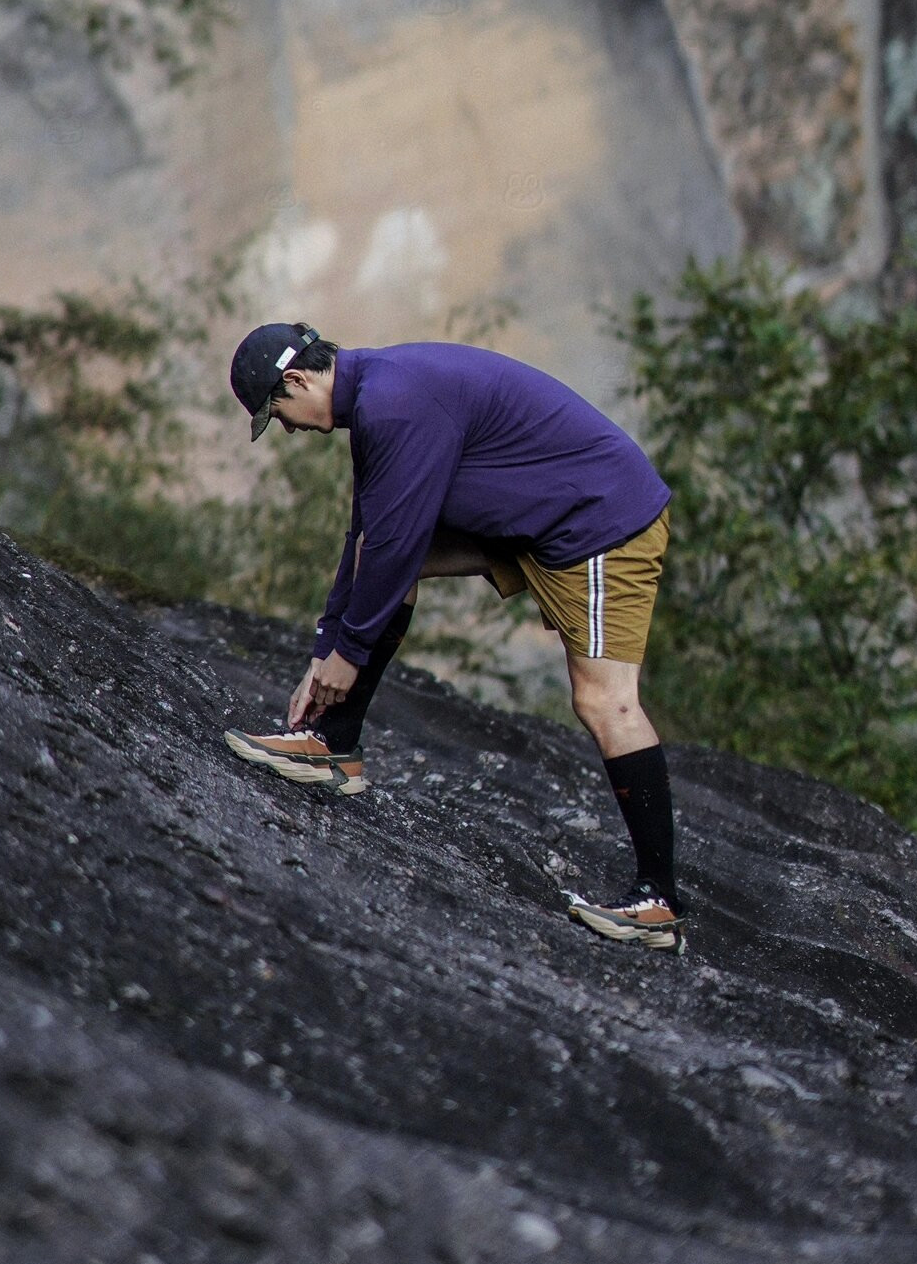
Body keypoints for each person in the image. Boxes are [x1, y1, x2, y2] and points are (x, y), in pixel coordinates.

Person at [223, 322, 686, 951]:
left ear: (298, 380)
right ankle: (332, 746)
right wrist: (325, 647)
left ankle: (658, 902)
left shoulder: (396, 403)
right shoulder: (377, 401)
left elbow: (392, 547)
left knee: (606, 702)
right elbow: (369, 544)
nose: (286, 427)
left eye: (276, 410)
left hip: (598, 521)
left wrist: (348, 657)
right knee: (381, 558)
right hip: (535, 519)